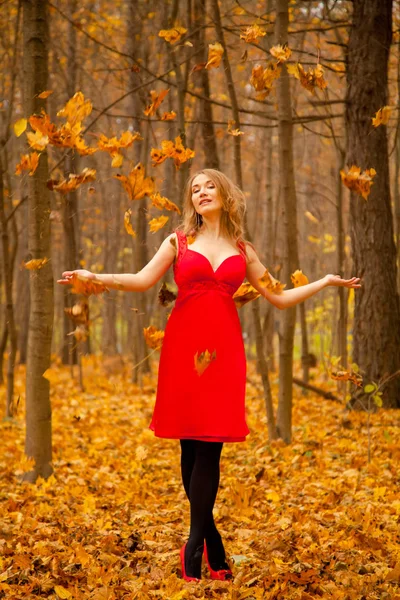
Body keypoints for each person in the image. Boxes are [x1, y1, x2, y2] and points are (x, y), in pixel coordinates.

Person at [58, 168, 361, 582]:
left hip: (224, 353)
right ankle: (212, 545)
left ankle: (194, 545)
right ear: (191, 201)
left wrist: (324, 281)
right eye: (195, 189)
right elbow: (143, 280)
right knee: (189, 448)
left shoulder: (244, 249)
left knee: (210, 448)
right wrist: (96, 277)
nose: (201, 193)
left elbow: (279, 297)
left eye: (209, 186)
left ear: (224, 194)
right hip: (183, 350)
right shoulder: (178, 242)